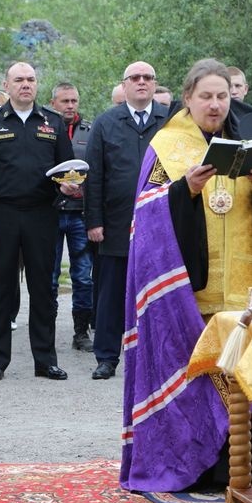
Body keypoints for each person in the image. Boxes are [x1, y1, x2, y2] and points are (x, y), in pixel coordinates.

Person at [120, 58, 252, 493]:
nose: (215, 105)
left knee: (250, 375)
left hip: (251, 290)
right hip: (189, 295)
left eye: (222, 96)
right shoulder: (166, 146)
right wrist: (185, 191)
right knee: (200, 375)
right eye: (206, 97)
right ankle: (195, 466)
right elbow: (145, 212)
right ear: (187, 98)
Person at [0, 61, 76, 381]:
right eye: (19, 80)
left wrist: (68, 186)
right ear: (7, 85)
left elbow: (67, 168)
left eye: (30, 79)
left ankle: (45, 360)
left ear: (37, 84)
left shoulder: (52, 121)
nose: (25, 84)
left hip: (41, 214)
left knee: (43, 289)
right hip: (1, 214)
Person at [83, 61, 169, 380]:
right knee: (111, 293)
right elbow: (94, 176)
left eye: (148, 77)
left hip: (161, 224)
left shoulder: (170, 121)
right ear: (125, 84)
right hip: (116, 223)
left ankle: (157, 357)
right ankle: (106, 357)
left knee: (158, 292)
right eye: (135, 78)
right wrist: (94, 221)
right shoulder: (106, 122)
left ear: (154, 84)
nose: (142, 82)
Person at [49, 81, 94, 351]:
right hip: (52, 212)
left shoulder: (90, 131)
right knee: (49, 275)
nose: (70, 106)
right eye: (64, 101)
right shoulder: (44, 130)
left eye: (74, 101)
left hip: (80, 214)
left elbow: (97, 171)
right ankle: (47, 331)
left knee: (83, 277)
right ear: (53, 103)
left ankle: (81, 332)